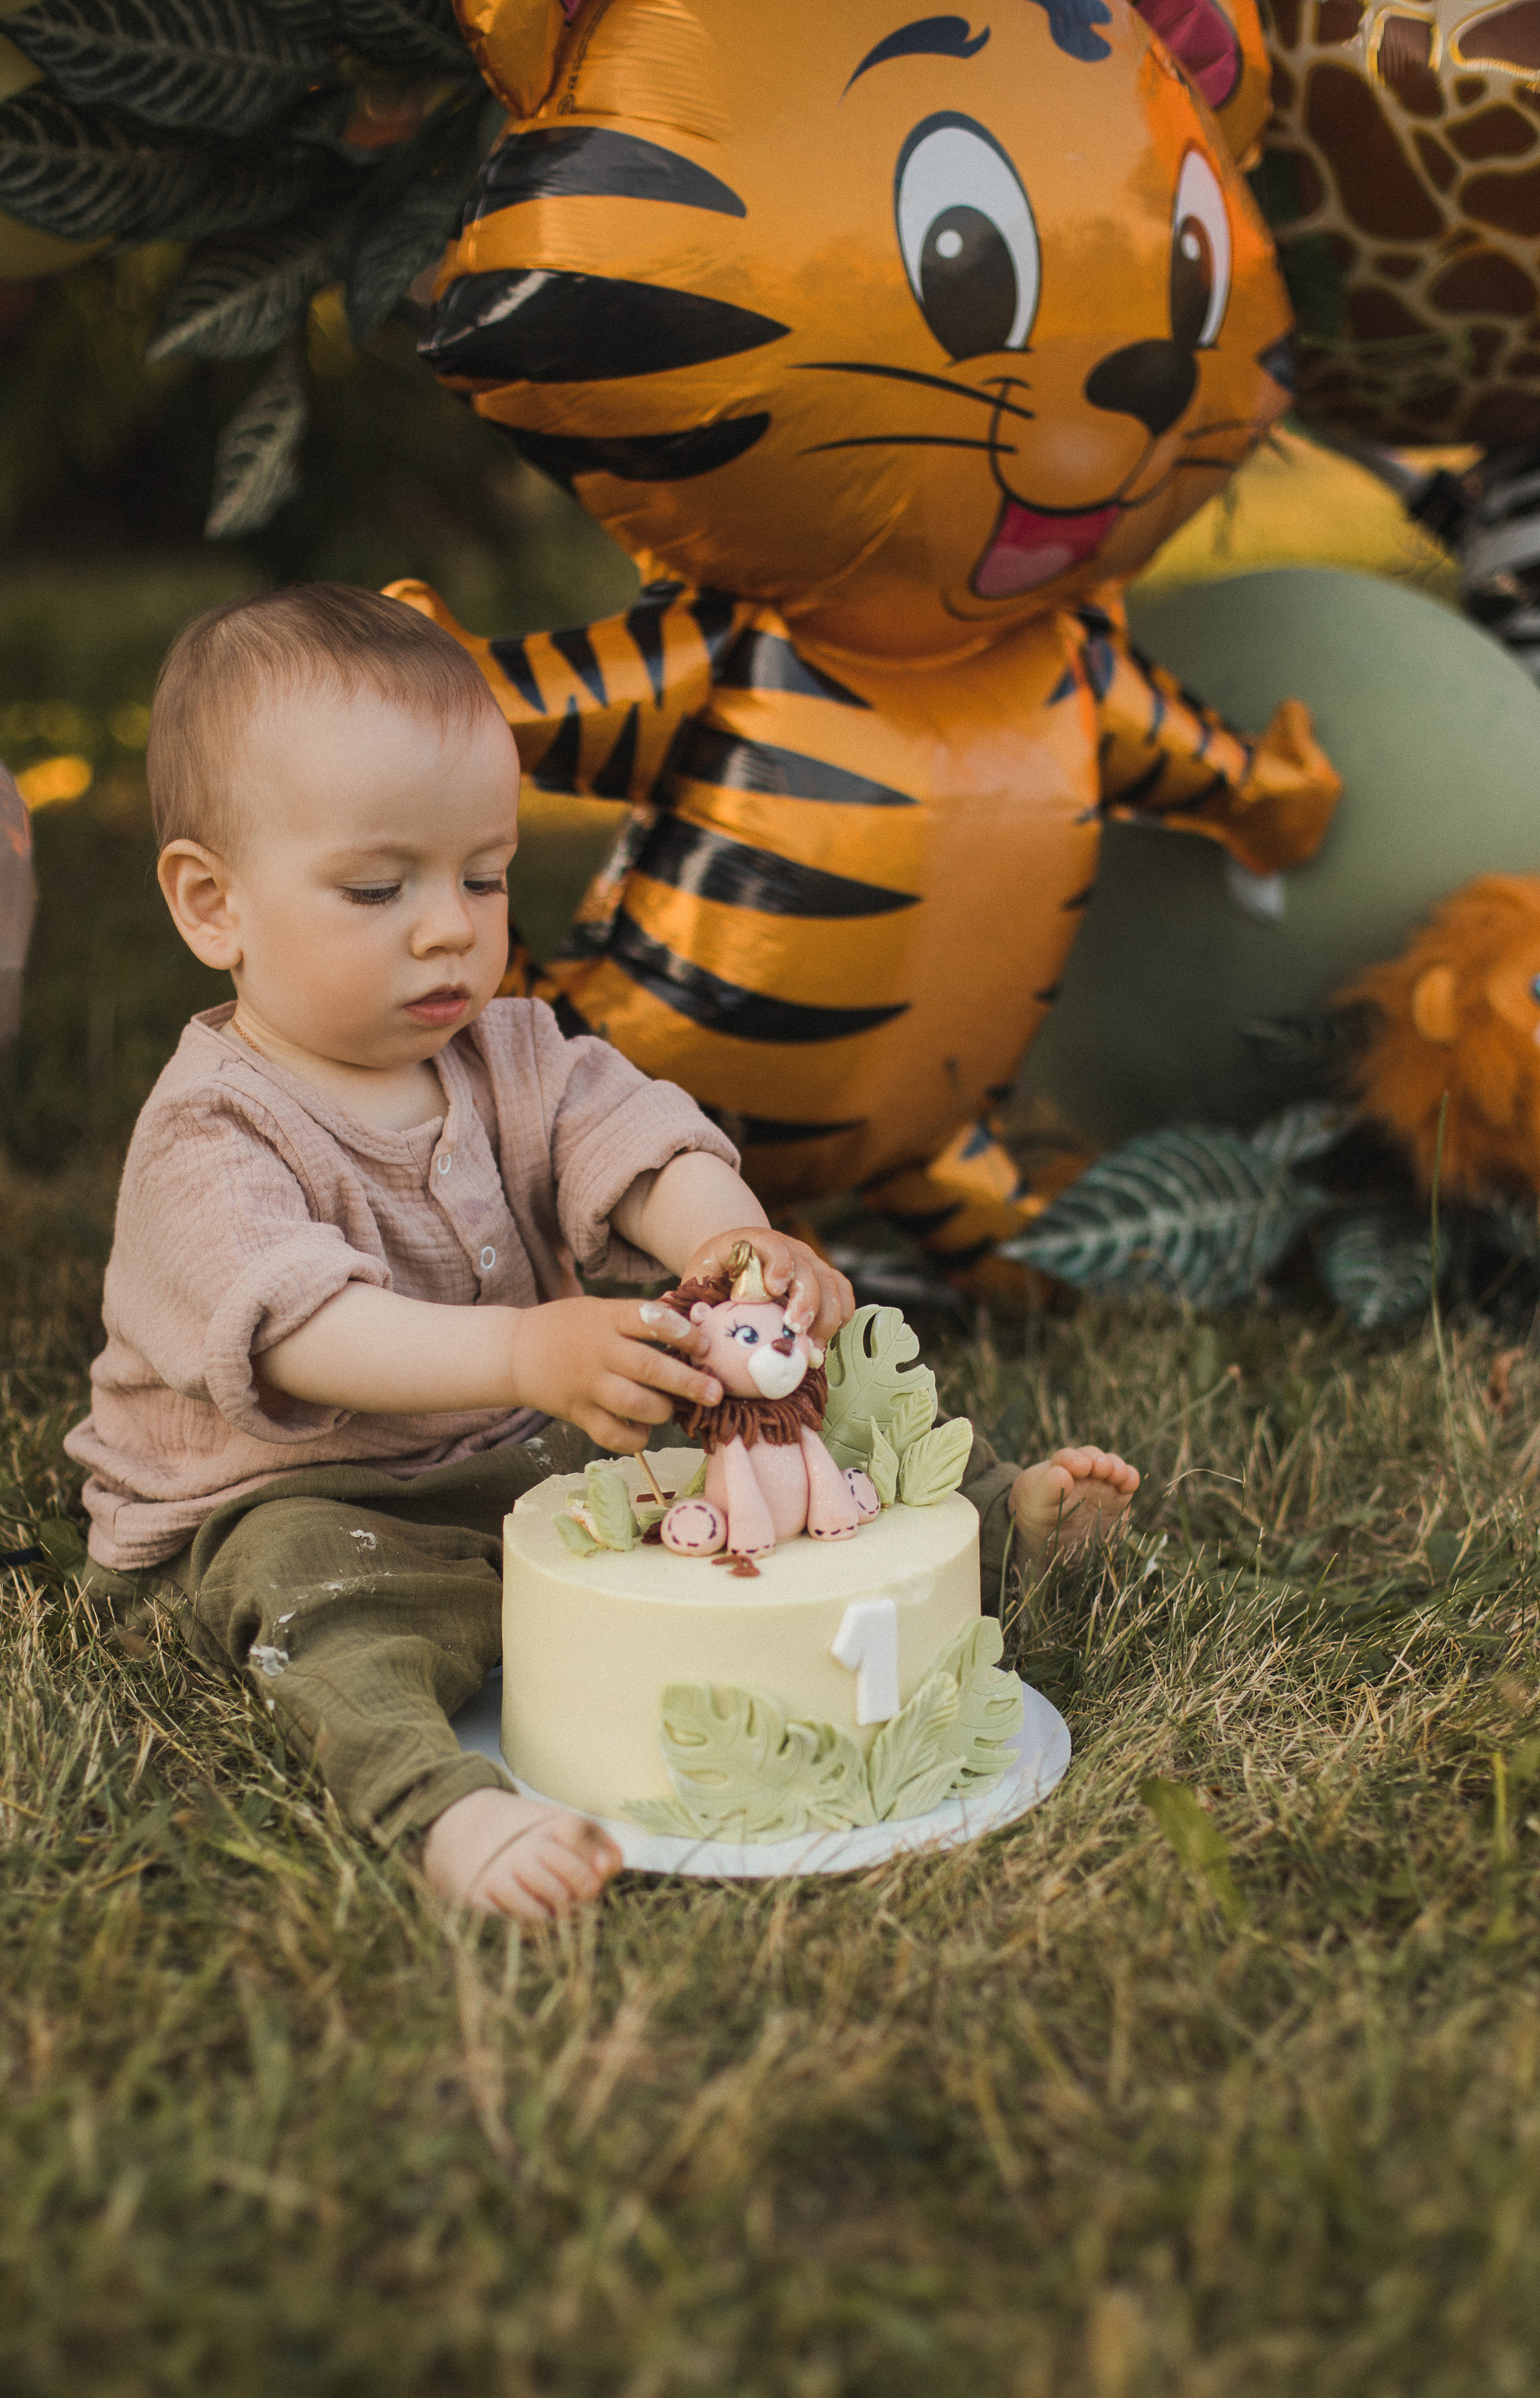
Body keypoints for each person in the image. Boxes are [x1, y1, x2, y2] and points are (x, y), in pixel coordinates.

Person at [69, 585, 1139, 1919]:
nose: (450, 926)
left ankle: (998, 1525)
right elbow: (303, 1331)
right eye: (377, 888)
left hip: (518, 1451)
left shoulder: (512, 1049)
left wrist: (728, 1239)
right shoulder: (212, 1132)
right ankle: (438, 1803)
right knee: (322, 1607)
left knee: (765, 1403)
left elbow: (635, 1141)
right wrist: (527, 1351)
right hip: (291, 1497)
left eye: (484, 875)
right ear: (211, 904)